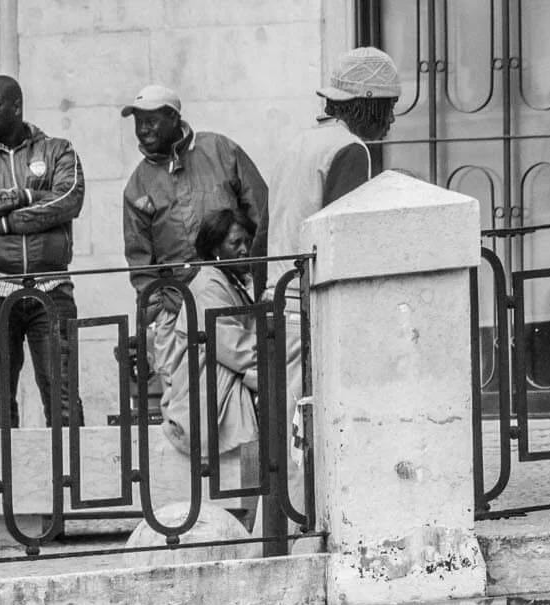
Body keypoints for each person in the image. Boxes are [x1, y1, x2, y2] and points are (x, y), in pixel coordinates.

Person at [121, 85, 268, 448]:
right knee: (189, 415)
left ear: (174, 117)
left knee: (247, 411)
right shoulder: (137, 184)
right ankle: (197, 499)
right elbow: (141, 267)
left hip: (233, 299)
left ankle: (245, 498)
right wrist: (163, 304)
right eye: (138, 122)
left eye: (152, 120)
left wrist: (259, 285)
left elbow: (262, 218)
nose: (143, 130)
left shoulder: (220, 150)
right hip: (179, 313)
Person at [267, 48, 401, 445]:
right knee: (306, 438)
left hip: (277, 302)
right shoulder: (349, 150)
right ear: (368, 106)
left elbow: (266, 230)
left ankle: (281, 510)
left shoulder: (297, 145)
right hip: (309, 310)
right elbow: (346, 243)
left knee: (283, 432)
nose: (392, 120)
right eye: (388, 107)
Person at [0, 74, 86, 429]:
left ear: (16, 107)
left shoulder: (58, 150)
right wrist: (23, 196)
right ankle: (3, 485)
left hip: (51, 290)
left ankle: (75, 481)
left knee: (62, 396)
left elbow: (68, 201)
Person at [159, 209, 262, 488]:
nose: (244, 250)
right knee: (269, 401)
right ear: (216, 248)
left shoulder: (232, 280)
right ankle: (256, 501)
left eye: (247, 242)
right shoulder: (207, 285)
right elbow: (236, 350)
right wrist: (275, 362)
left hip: (226, 372)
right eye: (235, 243)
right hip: (204, 387)